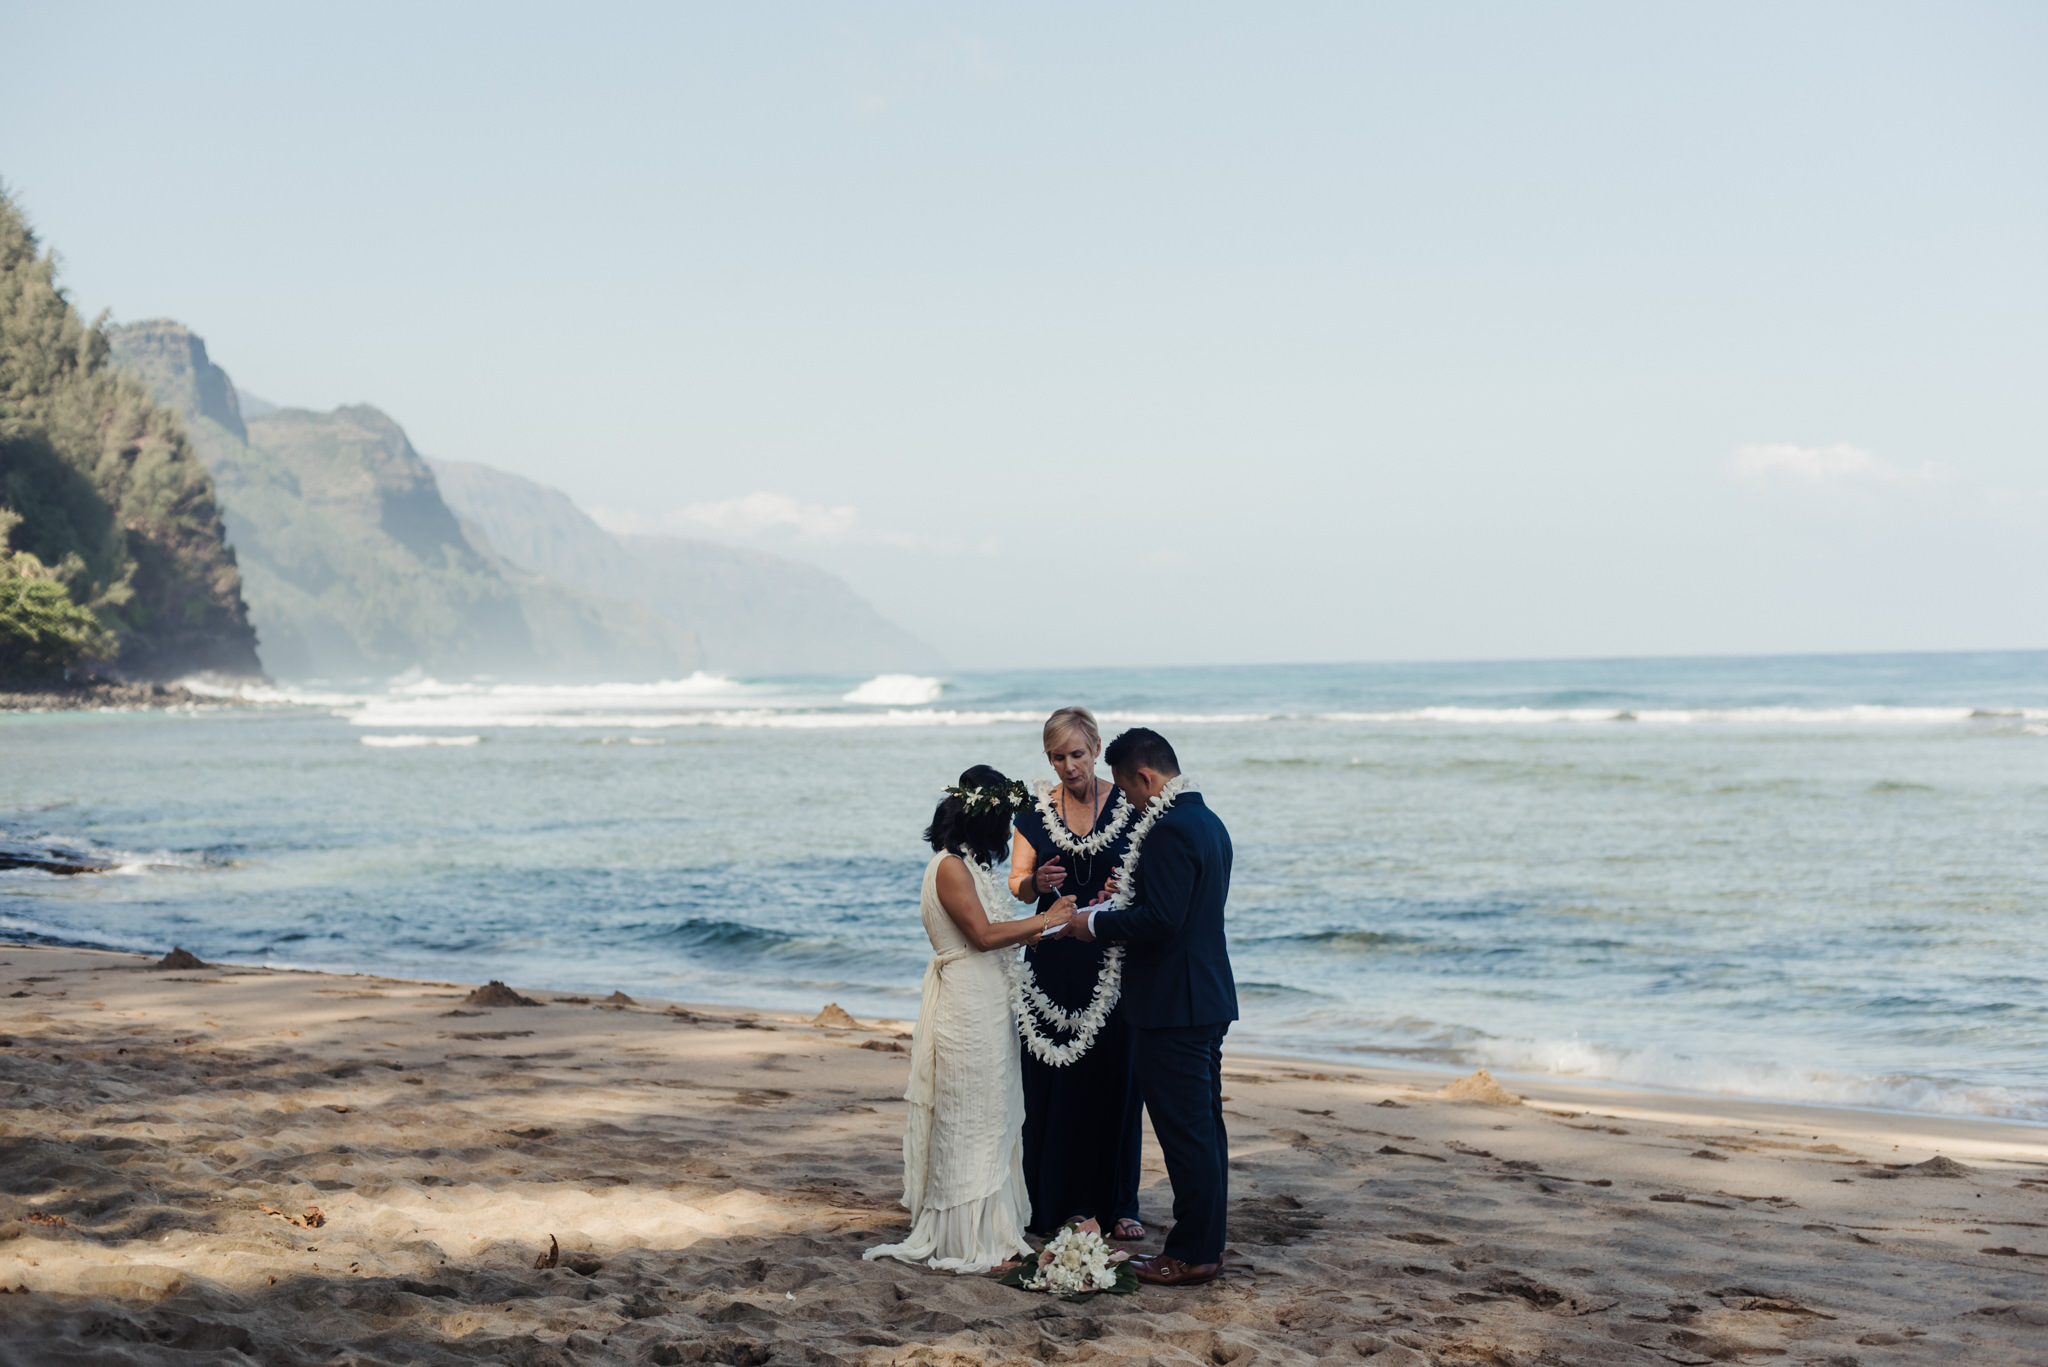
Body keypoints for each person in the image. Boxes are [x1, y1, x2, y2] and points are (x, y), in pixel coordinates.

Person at [865, 765, 1076, 1273]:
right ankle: (963, 1236)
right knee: (968, 1113)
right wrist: (1047, 919)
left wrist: (1048, 924)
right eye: (1003, 822)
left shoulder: (968, 866)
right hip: (965, 1005)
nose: (1008, 833)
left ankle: (993, 1227)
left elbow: (999, 929)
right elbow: (982, 937)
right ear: (980, 819)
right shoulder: (948, 868)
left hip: (989, 1003)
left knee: (995, 1108)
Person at [1066, 728, 1236, 1287]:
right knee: (1204, 1130)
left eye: (1126, 788)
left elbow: (1160, 921)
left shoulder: (1168, 830)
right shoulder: (1208, 823)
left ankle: (1191, 1255)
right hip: (1203, 996)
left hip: (1173, 1006)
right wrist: (1124, 900)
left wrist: (1093, 923)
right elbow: (1179, 911)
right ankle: (1204, 1245)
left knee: (1187, 1134)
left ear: (1145, 777)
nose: (1127, 802)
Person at [1007, 707, 1146, 1241]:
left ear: (1096, 748)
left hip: (1110, 964)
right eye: (1057, 757)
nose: (1068, 766)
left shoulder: (1131, 808)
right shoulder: (1036, 812)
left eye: (1077, 754)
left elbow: (1152, 883)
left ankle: (1120, 1204)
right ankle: (1057, 1200)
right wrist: (1037, 881)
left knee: (1116, 1081)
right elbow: (1016, 883)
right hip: (1052, 966)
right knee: (1053, 1085)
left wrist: (1124, 894)